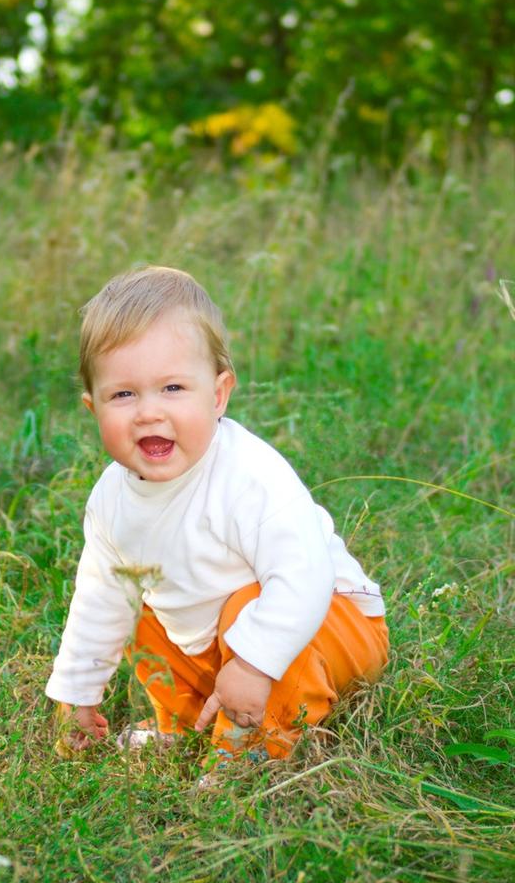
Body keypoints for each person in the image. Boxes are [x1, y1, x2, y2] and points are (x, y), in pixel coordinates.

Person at [46, 265, 388, 761]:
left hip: (330, 625)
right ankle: (187, 721)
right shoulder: (109, 501)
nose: (148, 412)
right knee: (136, 608)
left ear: (219, 395)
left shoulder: (249, 476)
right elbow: (100, 596)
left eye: (173, 389)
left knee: (246, 605)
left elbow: (304, 578)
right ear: (92, 407)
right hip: (224, 640)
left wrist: (251, 665)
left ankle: (256, 746)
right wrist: (77, 691)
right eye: (123, 394)